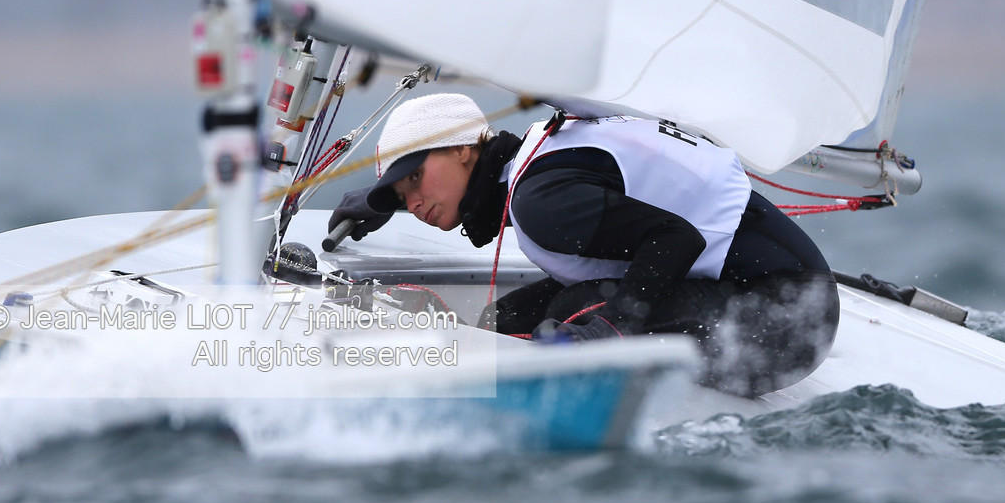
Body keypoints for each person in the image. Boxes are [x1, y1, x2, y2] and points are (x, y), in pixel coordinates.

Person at [329, 93, 839, 398]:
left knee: (574, 310)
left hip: (787, 323)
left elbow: (674, 238)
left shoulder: (540, 201)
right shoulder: (535, 166)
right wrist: (388, 199)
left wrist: (614, 328)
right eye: (403, 193)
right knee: (504, 323)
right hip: (755, 297)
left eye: (416, 178)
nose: (415, 201)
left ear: (465, 148)